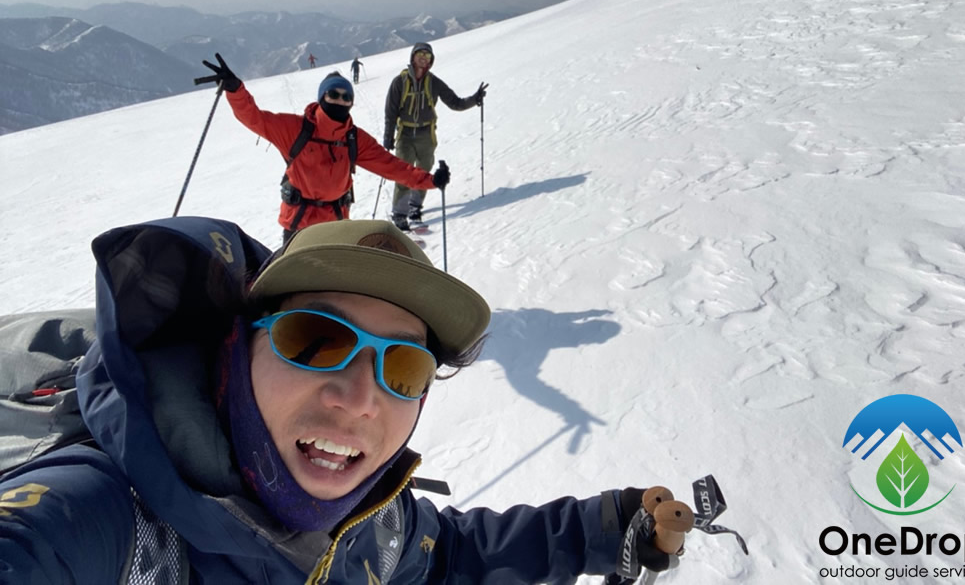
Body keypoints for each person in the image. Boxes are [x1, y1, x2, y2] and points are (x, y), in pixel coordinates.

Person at [0, 217, 688, 583]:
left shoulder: (372, 523)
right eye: (315, 338)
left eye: (406, 367)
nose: (362, 399)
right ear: (237, 352)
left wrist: (603, 527)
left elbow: (445, 558)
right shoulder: (100, 523)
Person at [203, 53, 450, 244]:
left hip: (336, 224)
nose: (340, 99)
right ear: (322, 97)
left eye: (346, 97)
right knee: (292, 283)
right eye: (334, 93)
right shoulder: (295, 129)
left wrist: (430, 180)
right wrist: (235, 90)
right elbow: (254, 118)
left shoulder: (354, 138)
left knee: (331, 283)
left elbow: (393, 167)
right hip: (298, 223)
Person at [383, 42, 488, 230]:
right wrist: (388, 136)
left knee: (423, 172)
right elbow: (390, 112)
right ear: (413, 57)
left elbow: (455, 103)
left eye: (428, 55)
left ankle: (415, 208)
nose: (424, 58)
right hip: (405, 134)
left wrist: (475, 99)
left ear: (431, 60)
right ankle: (399, 213)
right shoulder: (399, 82)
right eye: (420, 54)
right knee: (404, 173)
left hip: (426, 134)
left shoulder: (434, 82)